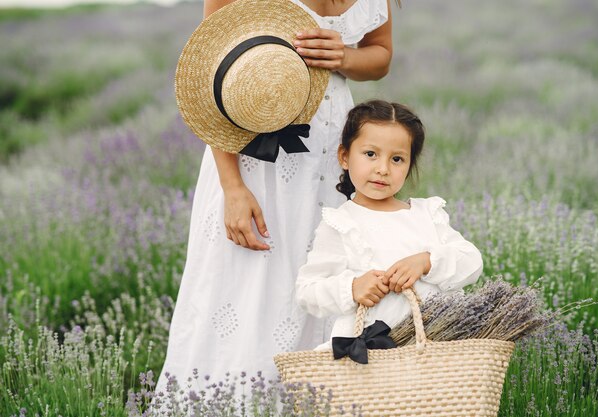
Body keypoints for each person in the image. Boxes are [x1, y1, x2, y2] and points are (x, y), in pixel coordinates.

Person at [156, 0, 394, 393]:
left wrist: (345, 58)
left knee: (326, 274)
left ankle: (317, 397)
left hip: (333, 153)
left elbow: (381, 54)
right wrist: (233, 188)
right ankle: (230, 400)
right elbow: (208, 71)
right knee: (245, 285)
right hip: (253, 155)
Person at [295, 100, 483, 350]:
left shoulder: (427, 214)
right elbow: (308, 291)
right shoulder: (341, 224)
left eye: (397, 159)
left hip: (433, 347)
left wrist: (427, 261)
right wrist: (352, 288)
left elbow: (472, 262)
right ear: (345, 157)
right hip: (370, 352)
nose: (383, 169)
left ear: (409, 165)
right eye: (370, 154)